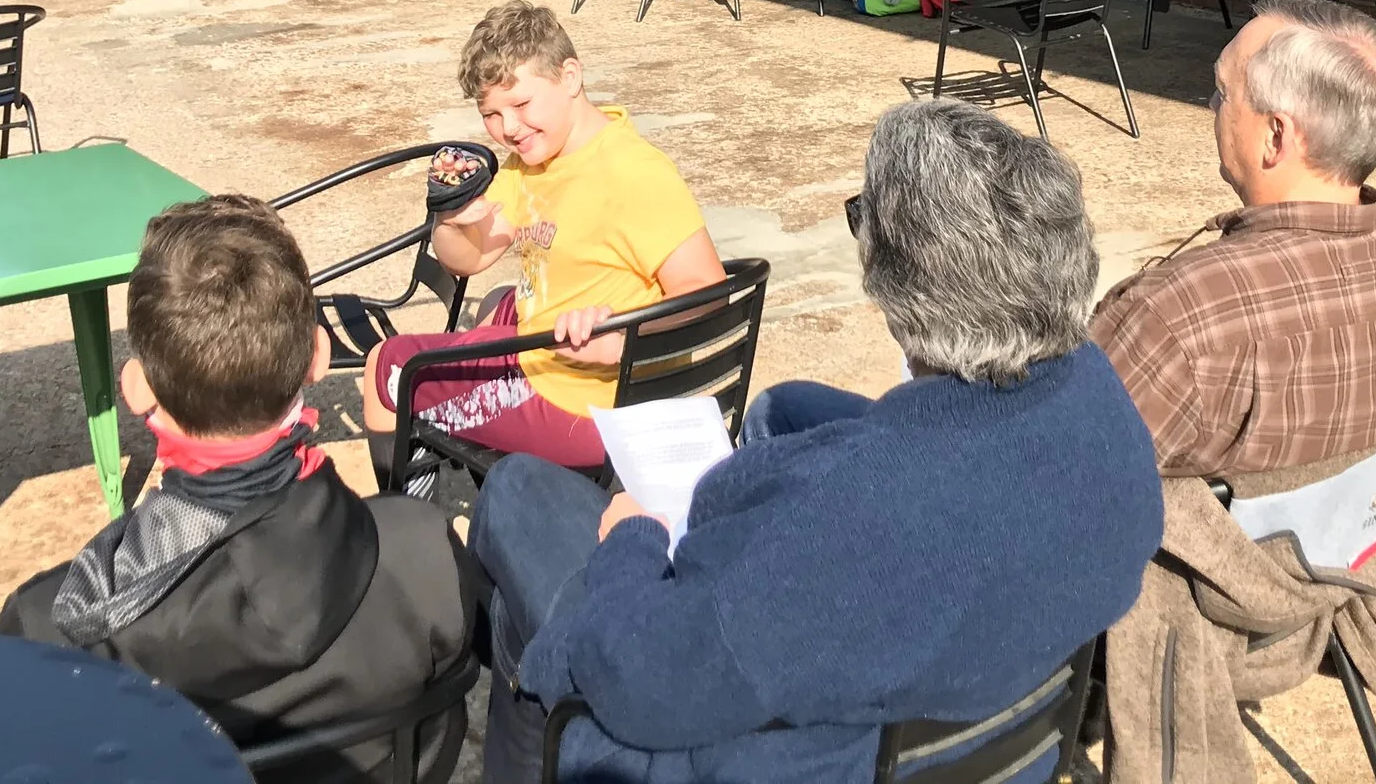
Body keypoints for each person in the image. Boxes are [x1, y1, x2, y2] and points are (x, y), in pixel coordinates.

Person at [469, 99, 1163, 784]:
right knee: (782, 406)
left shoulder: (840, 526)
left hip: (769, 753)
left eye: (863, 220)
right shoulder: (1099, 399)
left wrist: (631, 541)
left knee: (514, 494)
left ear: (901, 284)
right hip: (996, 730)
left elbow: (640, 678)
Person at [1091, 0, 1376, 784]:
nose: (1212, 106)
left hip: (1216, 619)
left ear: (1276, 135)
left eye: (1223, 92)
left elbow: (1053, 476)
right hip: (1338, 575)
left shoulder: (1188, 310)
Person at [0, 197, 483, 766]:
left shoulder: (48, 626)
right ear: (318, 358)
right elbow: (442, 725)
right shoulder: (423, 548)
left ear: (136, 389)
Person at [358, 2, 724, 483]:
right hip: (562, 354)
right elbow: (472, 259)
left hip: (589, 402)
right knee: (497, 302)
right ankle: (486, 447)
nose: (508, 128)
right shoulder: (534, 160)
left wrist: (620, 339)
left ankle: (402, 520)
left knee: (387, 367)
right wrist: (451, 222)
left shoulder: (632, 174)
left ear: (570, 77)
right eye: (490, 113)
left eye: (521, 105)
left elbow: (707, 289)